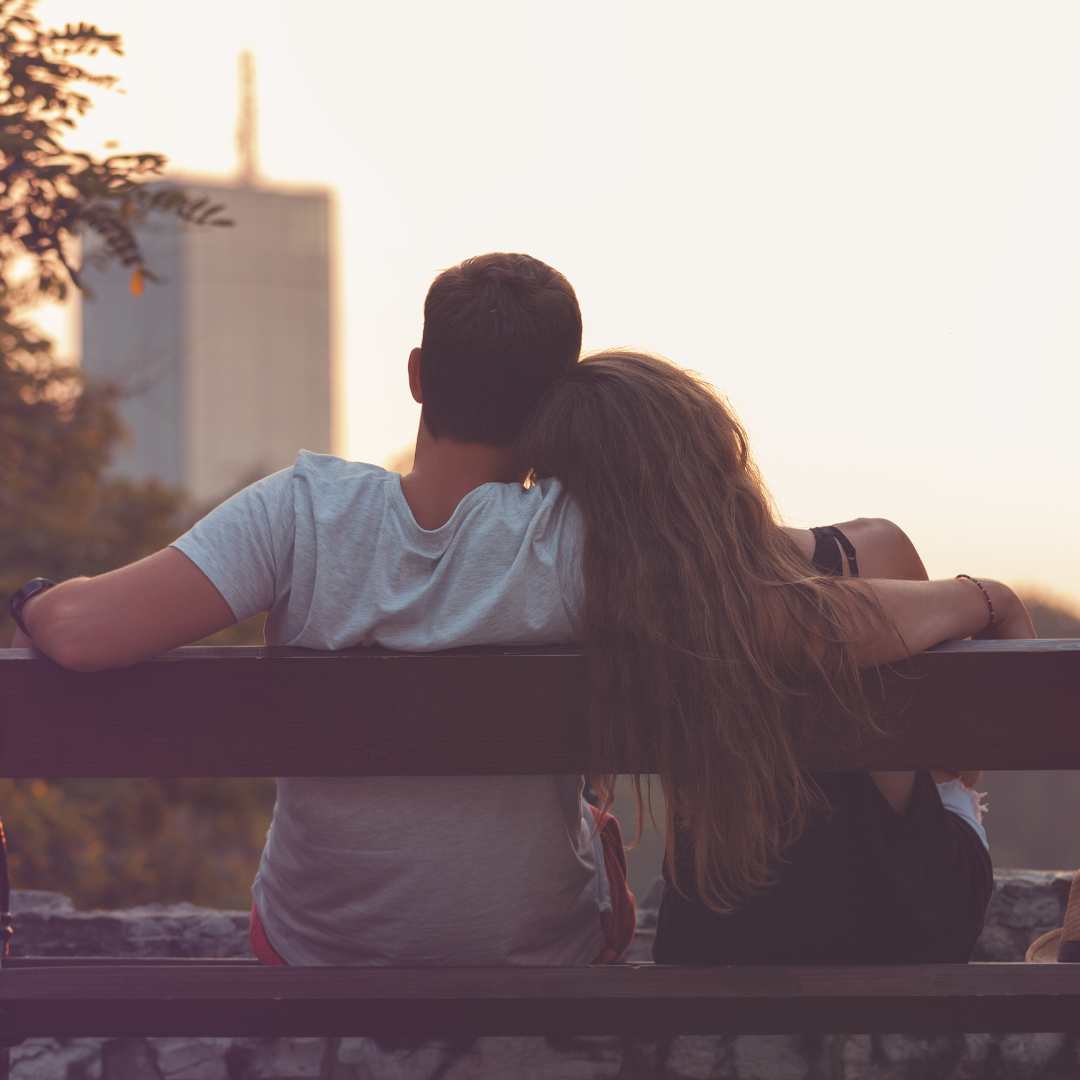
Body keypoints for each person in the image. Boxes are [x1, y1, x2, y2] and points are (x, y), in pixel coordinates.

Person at [9, 252, 636, 967]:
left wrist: (33, 600)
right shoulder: (581, 535)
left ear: (418, 374)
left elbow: (81, 634)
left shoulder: (305, 512)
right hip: (538, 955)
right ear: (560, 398)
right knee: (592, 825)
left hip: (315, 952)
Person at [517, 350, 1034, 965]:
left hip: (714, 931)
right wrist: (986, 597)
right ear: (714, 450)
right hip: (907, 921)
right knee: (943, 783)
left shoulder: (591, 607)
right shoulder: (871, 553)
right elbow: (964, 764)